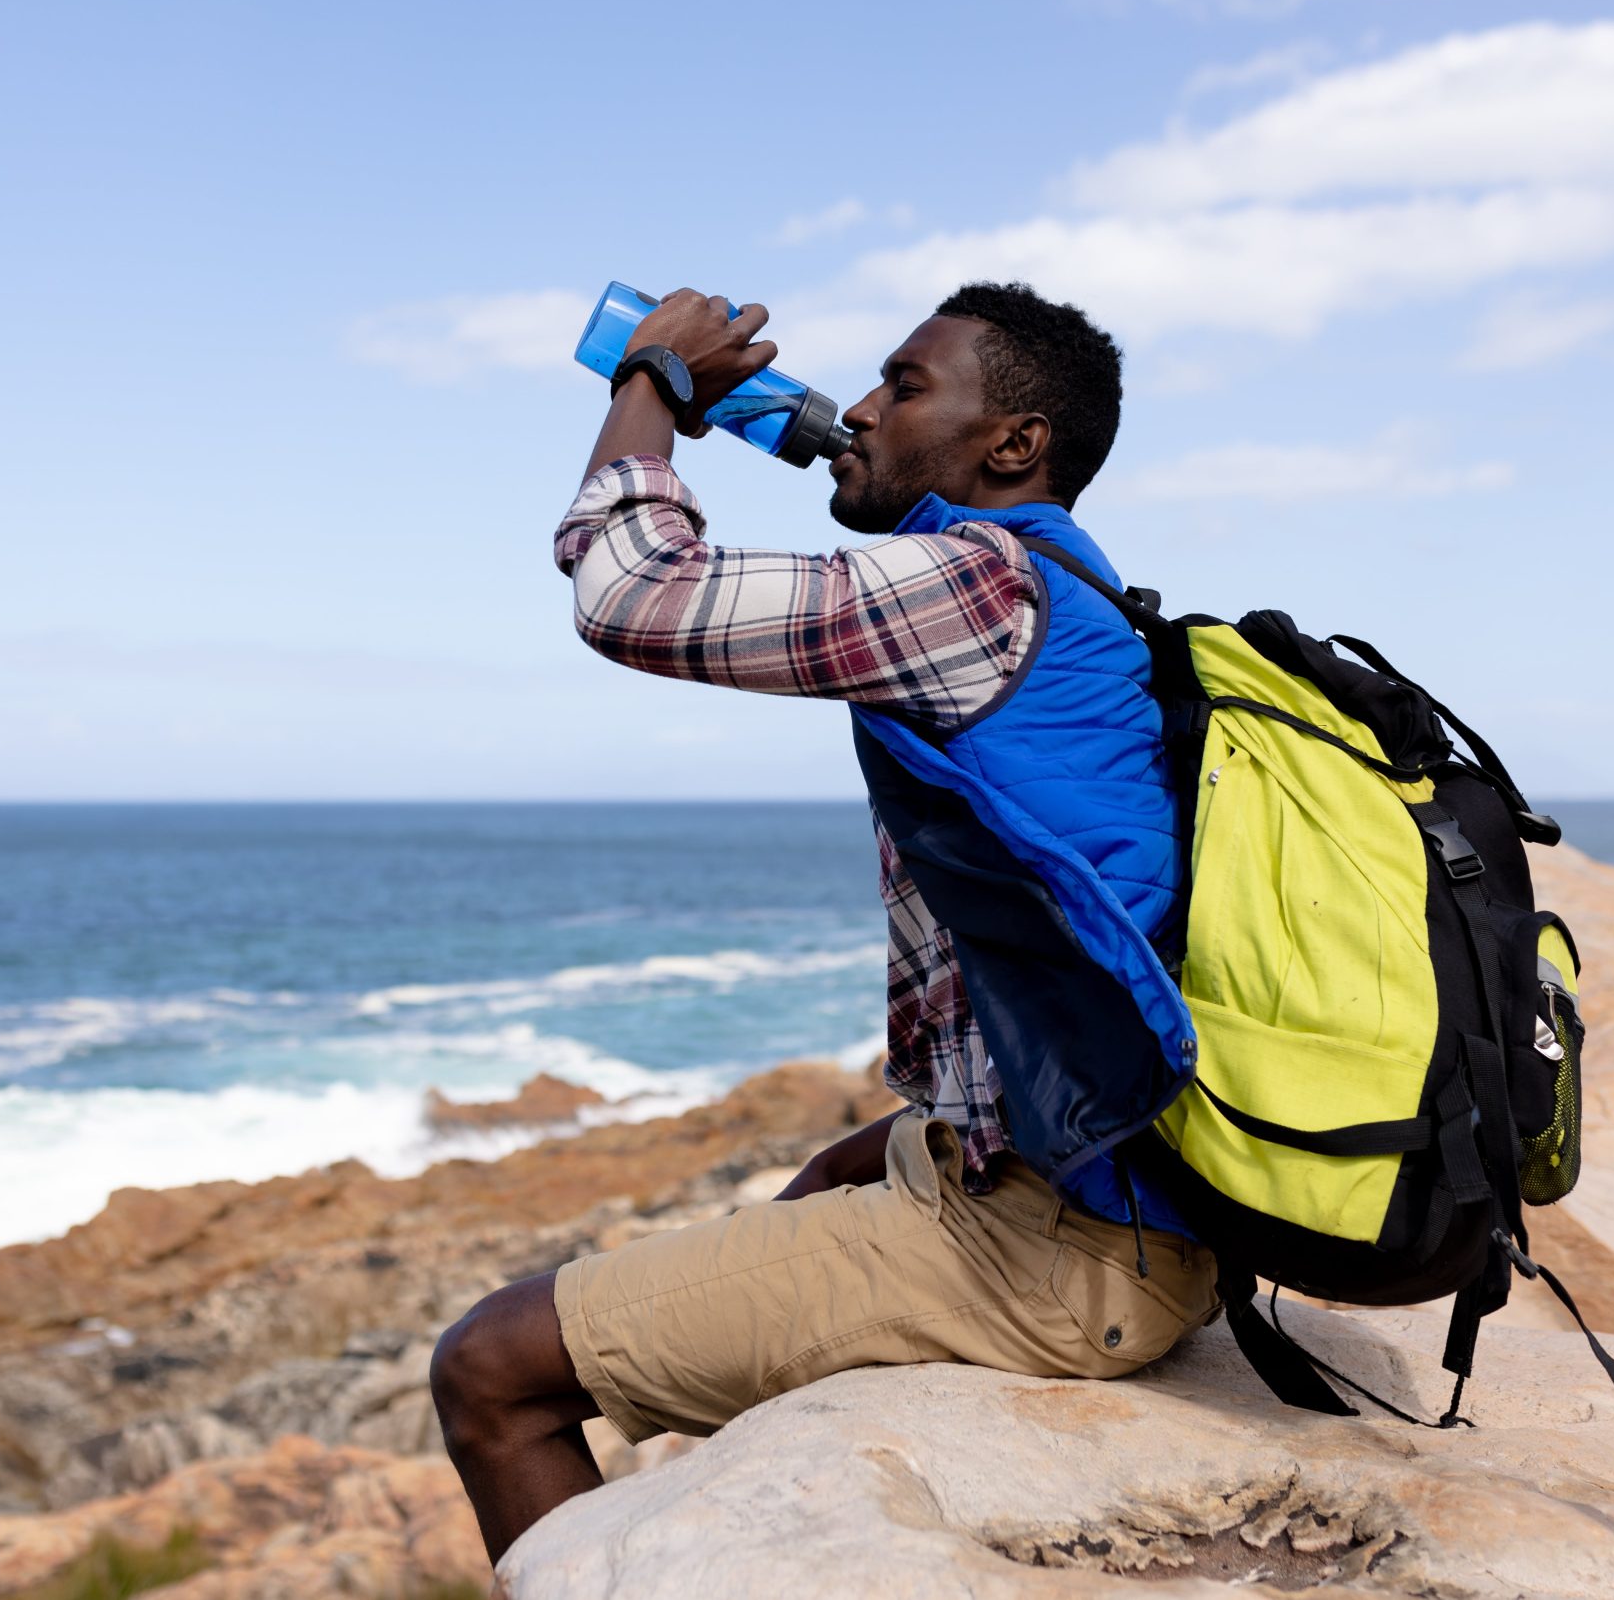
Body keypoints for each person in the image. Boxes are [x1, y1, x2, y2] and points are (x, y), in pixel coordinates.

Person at [430, 282, 1215, 1562]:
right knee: (813, 1193)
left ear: (1012, 446)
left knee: (490, 1369)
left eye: (905, 387)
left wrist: (655, 386)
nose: (855, 409)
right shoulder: (1082, 592)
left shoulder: (980, 581)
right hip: (1095, 1177)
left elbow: (633, 596)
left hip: (1061, 1250)